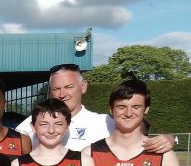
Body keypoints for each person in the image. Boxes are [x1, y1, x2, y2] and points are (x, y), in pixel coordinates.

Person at [14, 64, 174, 154]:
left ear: (83, 87)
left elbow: (134, 130)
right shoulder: (32, 123)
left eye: (69, 87)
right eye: (56, 89)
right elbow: (8, 144)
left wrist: (170, 138)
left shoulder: (103, 122)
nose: (62, 94)